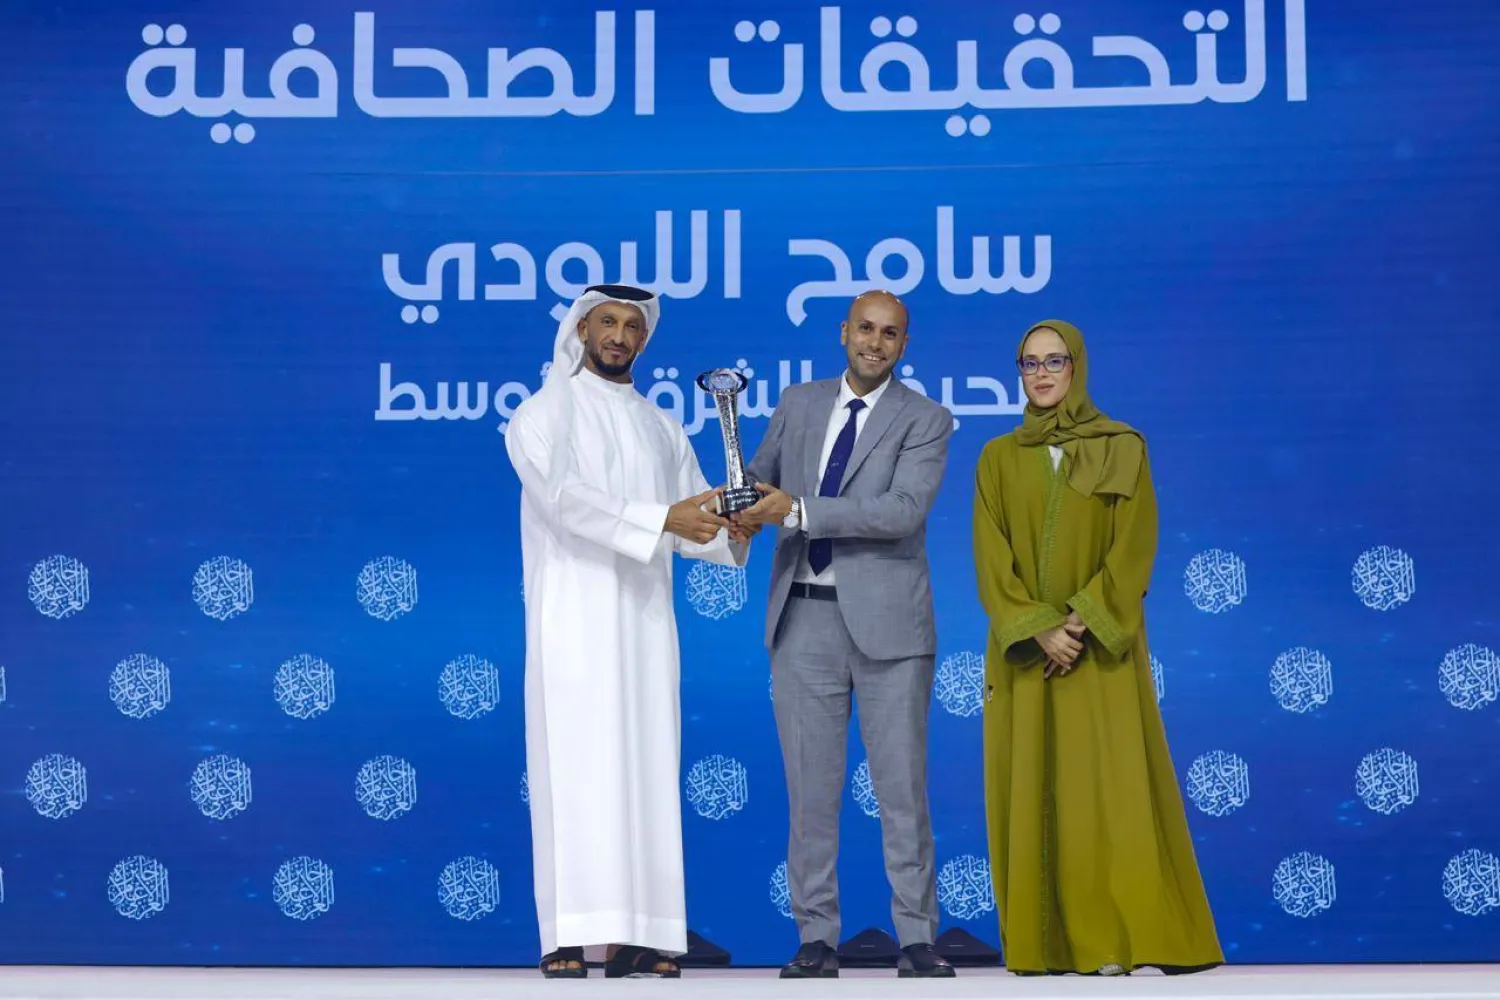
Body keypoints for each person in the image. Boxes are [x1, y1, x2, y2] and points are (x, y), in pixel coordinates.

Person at [503, 284, 751, 979]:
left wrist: (733, 524)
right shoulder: (541, 414)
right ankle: (566, 935)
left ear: (644, 341)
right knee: (575, 769)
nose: (618, 335)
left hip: (644, 624)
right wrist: (664, 520)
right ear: (581, 329)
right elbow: (561, 501)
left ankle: (644, 933)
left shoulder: (659, 425)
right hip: (572, 622)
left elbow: (693, 516)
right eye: (607, 322)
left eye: (631, 327)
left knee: (643, 769)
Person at [972, 319, 1224, 977]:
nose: (1043, 373)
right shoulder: (998, 457)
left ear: (1078, 366)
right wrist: (1036, 629)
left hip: (1099, 652)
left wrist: (1078, 623)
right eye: (1029, 363)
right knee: (1035, 790)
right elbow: (991, 560)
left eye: (1055, 360)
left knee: (1110, 793)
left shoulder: (1123, 446)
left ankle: (1122, 940)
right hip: (1028, 653)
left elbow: (1133, 546)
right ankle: (1048, 944)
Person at [733, 290, 956, 980]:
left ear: (903, 346)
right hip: (802, 618)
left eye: (891, 333)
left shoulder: (927, 418)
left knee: (902, 789)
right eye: (866, 328)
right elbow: (758, 484)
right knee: (810, 791)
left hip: (891, 628)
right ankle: (816, 938)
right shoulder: (798, 404)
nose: (876, 341)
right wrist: (736, 501)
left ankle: (917, 939)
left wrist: (796, 508)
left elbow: (900, 511)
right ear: (844, 333)